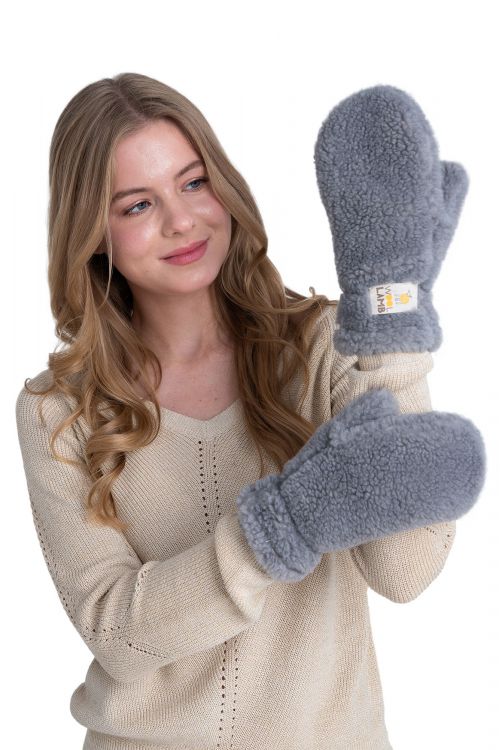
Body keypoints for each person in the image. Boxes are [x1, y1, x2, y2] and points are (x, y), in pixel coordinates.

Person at [15, 72, 463, 750]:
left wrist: (390, 326)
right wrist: (281, 526)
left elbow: (406, 572)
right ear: (93, 233)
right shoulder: (60, 411)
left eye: (194, 182)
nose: (180, 220)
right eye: (138, 205)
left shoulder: (328, 348)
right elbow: (114, 633)